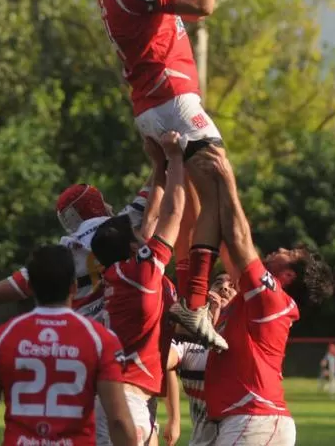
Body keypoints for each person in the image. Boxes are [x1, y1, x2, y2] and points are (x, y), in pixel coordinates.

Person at [84, 0, 244, 351]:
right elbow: (204, 4)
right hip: (172, 101)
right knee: (217, 193)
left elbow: (187, 6)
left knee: (191, 207)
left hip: (150, 108)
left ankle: (186, 299)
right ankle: (196, 304)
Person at [200, 147, 335, 445]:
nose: (279, 250)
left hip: (256, 419)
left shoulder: (272, 299)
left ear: (287, 276)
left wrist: (226, 176)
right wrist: (205, 186)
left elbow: (239, 238)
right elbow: (226, 240)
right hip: (247, 419)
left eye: (288, 253)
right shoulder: (253, 297)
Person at [0, 178, 152, 340]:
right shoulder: (126, 224)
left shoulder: (56, 260)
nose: (110, 206)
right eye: (104, 201)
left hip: (83, 348)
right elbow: (157, 186)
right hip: (130, 344)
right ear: (94, 206)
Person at [0, 244, 135, 446]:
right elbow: (118, 421)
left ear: (30, 288)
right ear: (73, 287)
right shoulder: (100, 340)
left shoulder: (1, 338)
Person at [90, 132, 188, 445]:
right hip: (125, 398)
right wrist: (175, 158)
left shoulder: (126, 273)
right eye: (135, 232)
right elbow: (171, 214)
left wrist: (158, 165)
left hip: (140, 399)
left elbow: (152, 217)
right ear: (134, 248)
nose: (143, 231)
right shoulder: (140, 275)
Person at [167, 273, 237, 446]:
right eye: (218, 283)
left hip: (242, 434)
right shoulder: (187, 340)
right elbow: (164, 362)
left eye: (232, 285)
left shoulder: (246, 335)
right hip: (202, 439)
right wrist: (174, 419)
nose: (224, 287)